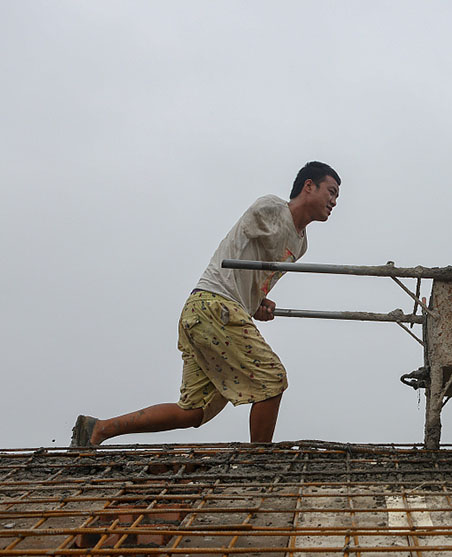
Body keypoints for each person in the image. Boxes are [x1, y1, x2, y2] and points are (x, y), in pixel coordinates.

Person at [70, 161, 341, 446]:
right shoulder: (272, 208)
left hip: (210, 310)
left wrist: (256, 300)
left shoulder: (301, 244)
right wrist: (245, 299)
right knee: (272, 379)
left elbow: (256, 273)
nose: (334, 201)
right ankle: (260, 463)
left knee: (195, 410)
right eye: (331, 191)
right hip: (215, 306)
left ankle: (98, 429)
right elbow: (238, 244)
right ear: (308, 186)